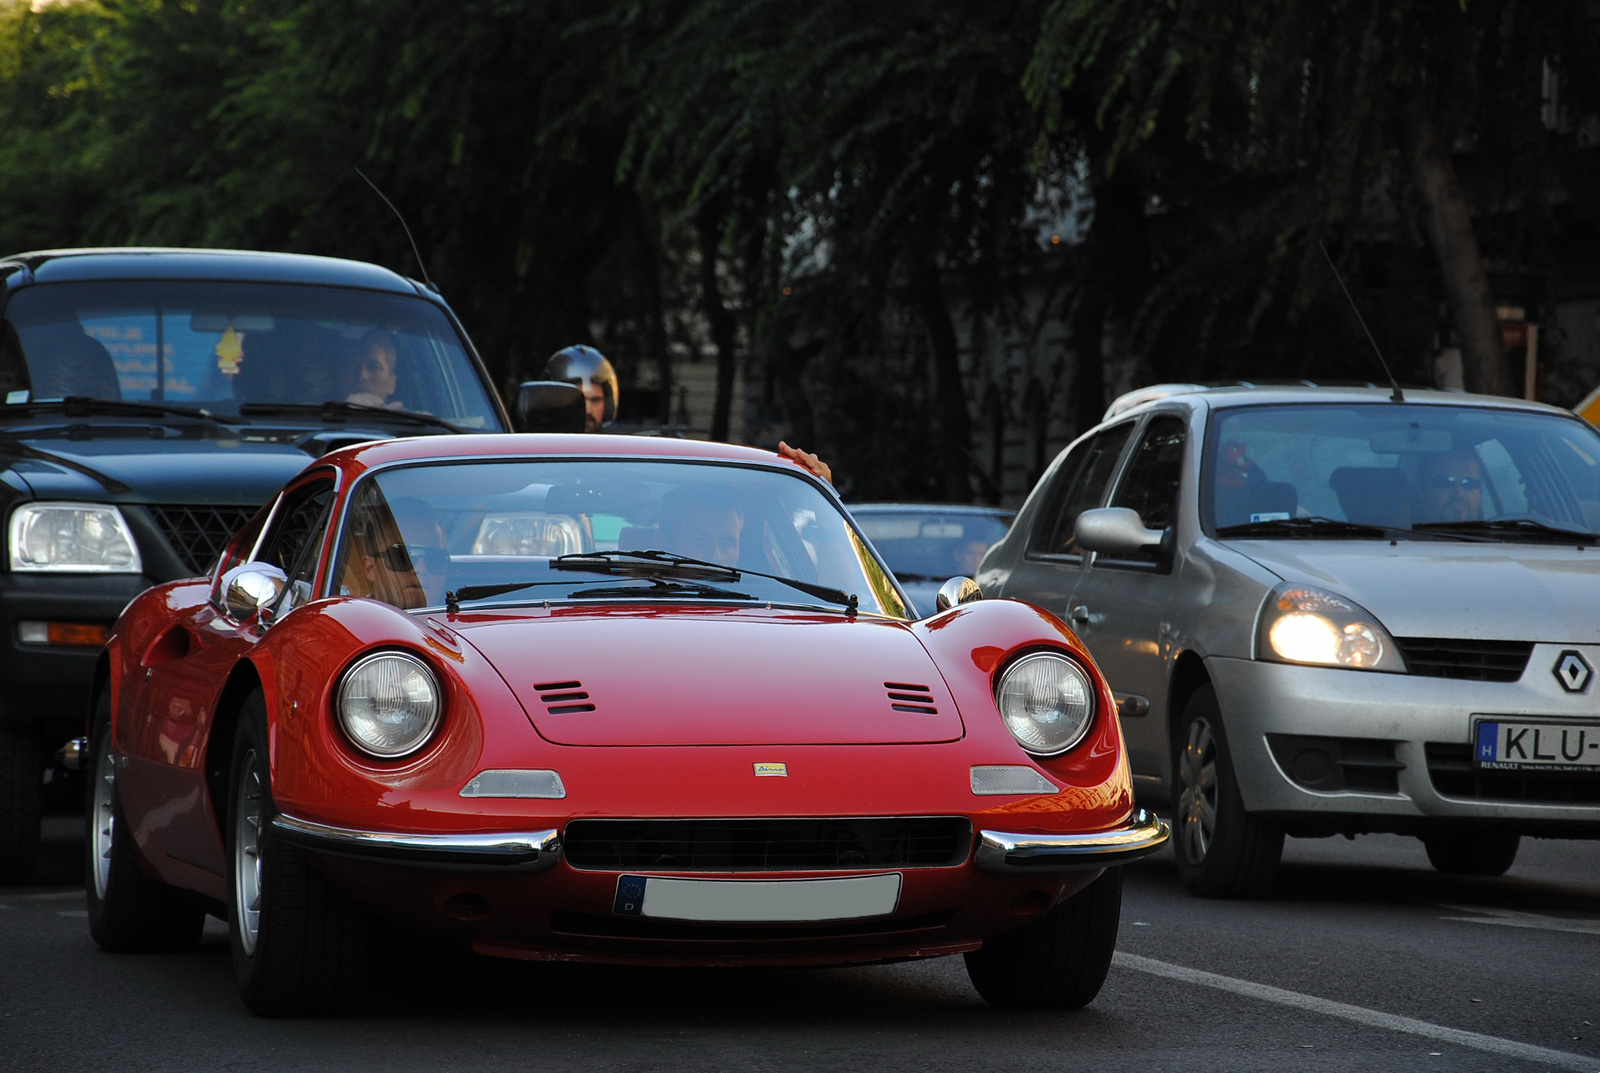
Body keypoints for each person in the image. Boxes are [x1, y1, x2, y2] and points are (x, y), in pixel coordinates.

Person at [355, 496, 450, 609]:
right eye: (402, 556)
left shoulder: (461, 622)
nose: (420, 568)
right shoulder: (347, 624)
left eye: (435, 558)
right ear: (370, 568)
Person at [657, 486, 744, 567]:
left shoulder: (754, 580)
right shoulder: (644, 581)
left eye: (726, 544)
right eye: (699, 540)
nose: (715, 557)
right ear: (662, 542)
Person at [545, 345, 618, 433]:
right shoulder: (535, 445)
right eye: (577, 401)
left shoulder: (621, 446)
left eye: (595, 400)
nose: (588, 410)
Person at [1414, 448, 1485, 523]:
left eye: (1469, 483)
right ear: (1422, 490)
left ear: (1480, 491)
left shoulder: (1494, 533)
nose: (1459, 493)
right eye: (1445, 482)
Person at [347, 329, 403, 409]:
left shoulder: (412, 419)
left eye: (374, 367)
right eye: (354, 366)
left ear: (392, 384)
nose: (362, 375)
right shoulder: (325, 416)